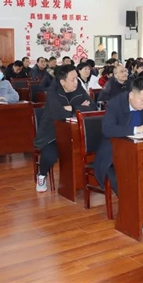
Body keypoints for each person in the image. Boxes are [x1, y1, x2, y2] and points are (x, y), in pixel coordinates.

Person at [95, 77, 143, 237]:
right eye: (142, 100)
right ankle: (139, 219)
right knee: (124, 179)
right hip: (113, 154)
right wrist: (137, 129)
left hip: (139, 152)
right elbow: (107, 129)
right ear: (131, 95)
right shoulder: (115, 104)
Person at [34, 64, 96, 192]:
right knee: (50, 155)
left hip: (74, 132)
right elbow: (57, 113)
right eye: (72, 80)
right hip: (52, 134)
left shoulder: (78, 87)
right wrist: (78, 108)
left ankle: (84, 181)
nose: (76, 82)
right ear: (62, 82)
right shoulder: (53, 91)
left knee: (89, 148)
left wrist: (71, 108)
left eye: (76, 78)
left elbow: (92, 107)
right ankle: (41, 175)